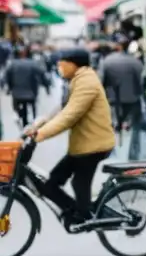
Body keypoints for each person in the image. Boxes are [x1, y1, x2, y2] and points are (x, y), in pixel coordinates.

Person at [27, 49, 116, 225]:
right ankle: (74, 212)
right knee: (52, 181)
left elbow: (70, 115)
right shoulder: (79, 80)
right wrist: (39, 124)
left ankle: (85, 217)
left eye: (62, 64)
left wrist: (41, 134)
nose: (59, 67)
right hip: (84, 145)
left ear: (73, 64)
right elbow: (64, 108)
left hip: (93, 146)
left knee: (77, 184)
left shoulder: (87, 83)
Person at [100, 35, 146, 159]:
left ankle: (114, 156)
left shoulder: (107, 61)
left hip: (113, 101)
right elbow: (142, 82)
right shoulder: (136, 62)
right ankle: (131, 157)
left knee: (114, 128)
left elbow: (101, 83)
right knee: (132, 131)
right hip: (133, 101)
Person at [5, 46, 46, 128]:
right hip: (31, 92)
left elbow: (7, 77)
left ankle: (19, 116)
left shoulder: (12, 64)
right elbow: (42, 72)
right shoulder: (33, 63)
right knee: (33, 105)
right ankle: (34, 119)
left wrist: (9, 88)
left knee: (18, 107)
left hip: (17, 93)